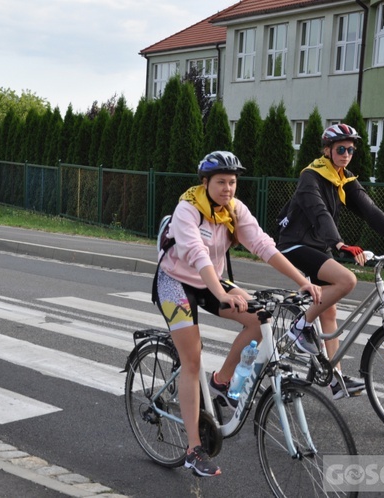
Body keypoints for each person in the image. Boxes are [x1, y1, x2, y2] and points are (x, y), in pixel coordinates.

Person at [154, 151, 321, 477]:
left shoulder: (233, 210)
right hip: (176, 281)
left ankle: (221, 381)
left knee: (260, 320)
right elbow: (196, 254)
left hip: (212, 279)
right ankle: (193, 450)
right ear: (205, 183)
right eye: (221, 182)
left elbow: (263, 245)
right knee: (192, 359)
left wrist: (303, 282)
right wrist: (221, 294)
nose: (228, 188)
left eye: (232, 182)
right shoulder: (187, 210)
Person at [277, 123, 384, 400]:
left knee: (329, 312)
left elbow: (370, 210)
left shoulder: (344, 177)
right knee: (347, 280)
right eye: (341, 149)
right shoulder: (312, 176)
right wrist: (339, 243)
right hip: (295, 242)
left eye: (351, 150)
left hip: (319, 244)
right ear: (327, 150)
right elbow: (319, 212)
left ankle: (335, 379)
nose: (346, 154)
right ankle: (300, 326)